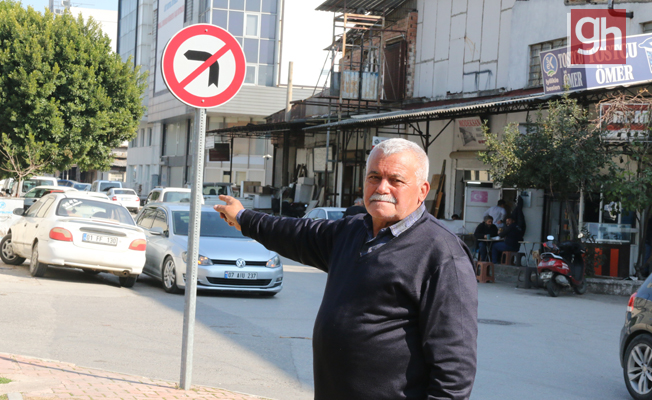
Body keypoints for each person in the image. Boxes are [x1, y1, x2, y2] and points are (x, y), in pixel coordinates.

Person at [214, 138, 478, 400]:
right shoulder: (352, 231)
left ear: (422, 191)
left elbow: (454, 369)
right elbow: (293, 233)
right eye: (374, 177)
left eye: (395, 180)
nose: (381, 188)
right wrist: (244, 218)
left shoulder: (443, 254)